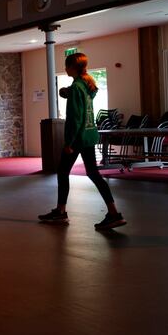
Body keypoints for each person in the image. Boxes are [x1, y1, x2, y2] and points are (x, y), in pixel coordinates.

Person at [38, 53, 127, 230]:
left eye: (66, 66)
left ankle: (61, 211)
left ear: (72, 67)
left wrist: (68, 142)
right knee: (93, 174)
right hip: (89, 135)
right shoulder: (86, 85)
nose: (65, 69)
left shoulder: (77, 87)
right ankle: (113, 213)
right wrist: (69, 92)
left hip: (78, 138)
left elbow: (75, 119)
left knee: (62, 172)